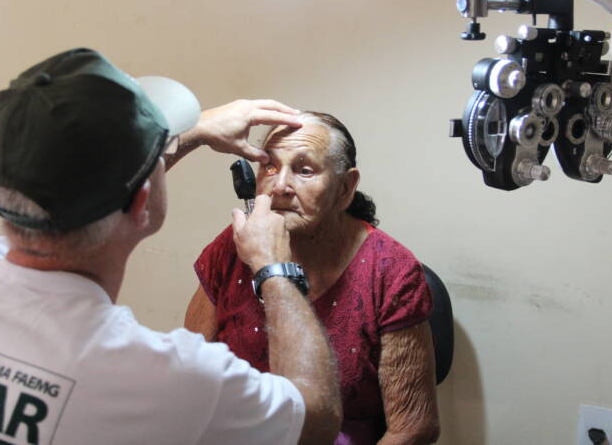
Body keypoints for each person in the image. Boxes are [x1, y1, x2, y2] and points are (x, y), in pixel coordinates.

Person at [0, 48, 342, 445]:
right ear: (143, 199)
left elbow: (90, 196)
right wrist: (275, 269)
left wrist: (195, 130)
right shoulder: (165, 379)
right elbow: (315, 418)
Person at [185, 111, 441, 445]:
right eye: (269, 167)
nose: (279, 186)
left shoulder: (391, 271)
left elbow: (413, 428)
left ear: (345, 188)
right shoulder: (236, 245)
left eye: (304, 170)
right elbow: (192, 374)